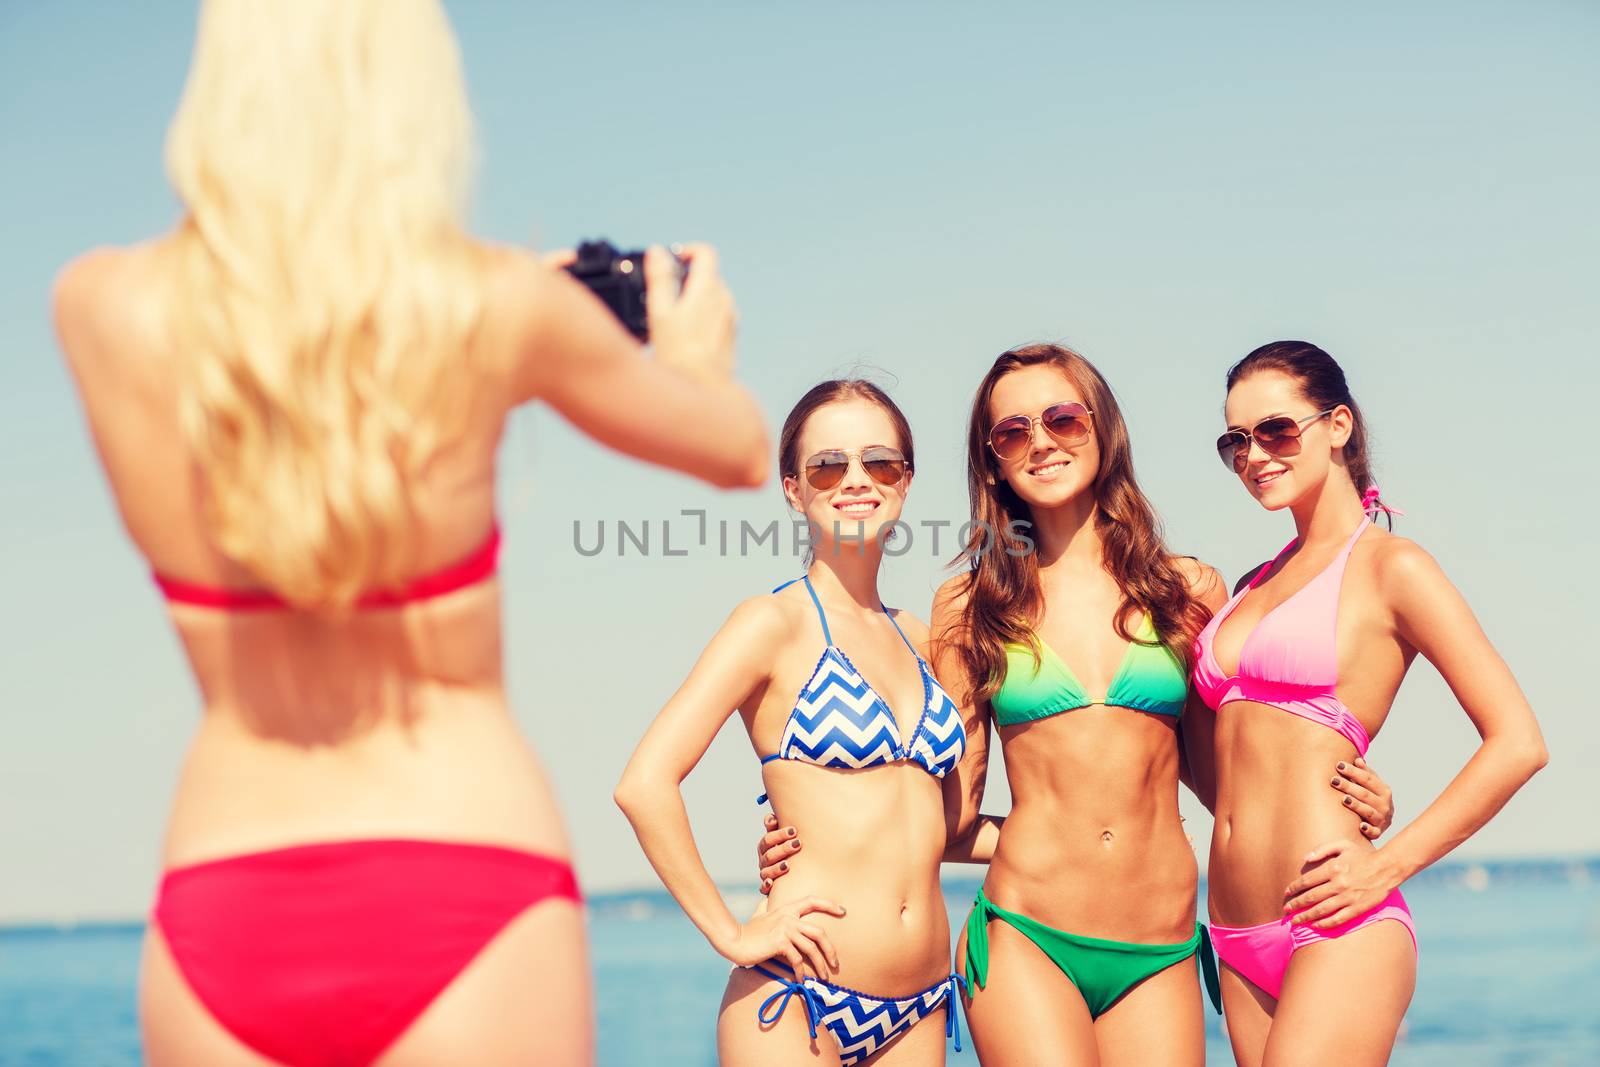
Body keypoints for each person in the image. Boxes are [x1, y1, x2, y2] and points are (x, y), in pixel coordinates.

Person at [51, 2, 765, 1064]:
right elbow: (740, 450)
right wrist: (689, 349)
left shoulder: (98, 306)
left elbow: (286, 345)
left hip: (224, 888)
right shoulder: (495, 304)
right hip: (471, 873)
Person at [762, 344, 1391, 1065]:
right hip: (1027, 935)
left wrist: (1341, 796)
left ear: (1102, 428)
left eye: (1062, 417)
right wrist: (816, 834)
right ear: (993, 459)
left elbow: (1229, 782)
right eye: (1011, 432)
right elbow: (949, 814)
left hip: (1160, 947)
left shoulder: (1187, 591)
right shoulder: (970, 605)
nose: (1040, 441)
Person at [1191, 340, 1547, 1066]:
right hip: (1233, 931)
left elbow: (1518, 741)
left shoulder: (1394, 568)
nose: (1254, 455)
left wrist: (1389, 861)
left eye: (1276, 430)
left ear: (1339, 425)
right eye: (1236, 440)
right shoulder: (1252, 584)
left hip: (1339, 920)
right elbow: (1230, 770)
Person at [616, 380, 974, 1066]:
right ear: (793, 487)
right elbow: (644, 782)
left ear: (906, 480)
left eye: (880, 463)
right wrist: (730, 932)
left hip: (923, 1002)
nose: (856, 481)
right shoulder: (771, 624)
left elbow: (942, 825)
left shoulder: (920, 637)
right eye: (828, 466)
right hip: (798, 997)